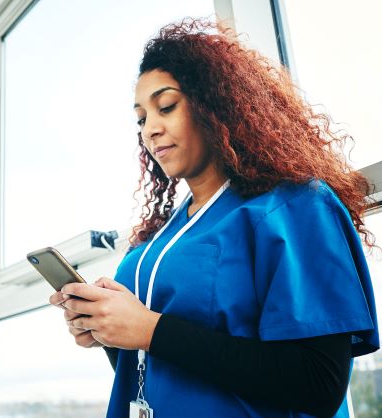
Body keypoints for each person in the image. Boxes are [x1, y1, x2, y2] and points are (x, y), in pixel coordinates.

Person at [49, 18, 379, 418]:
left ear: (217, 104)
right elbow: (152, 370)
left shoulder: (294, 208)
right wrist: (109, 331)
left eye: (166, 106)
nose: (150, 130)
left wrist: (150, 330)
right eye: (140, 118)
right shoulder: (155, 241)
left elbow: (318, 383)